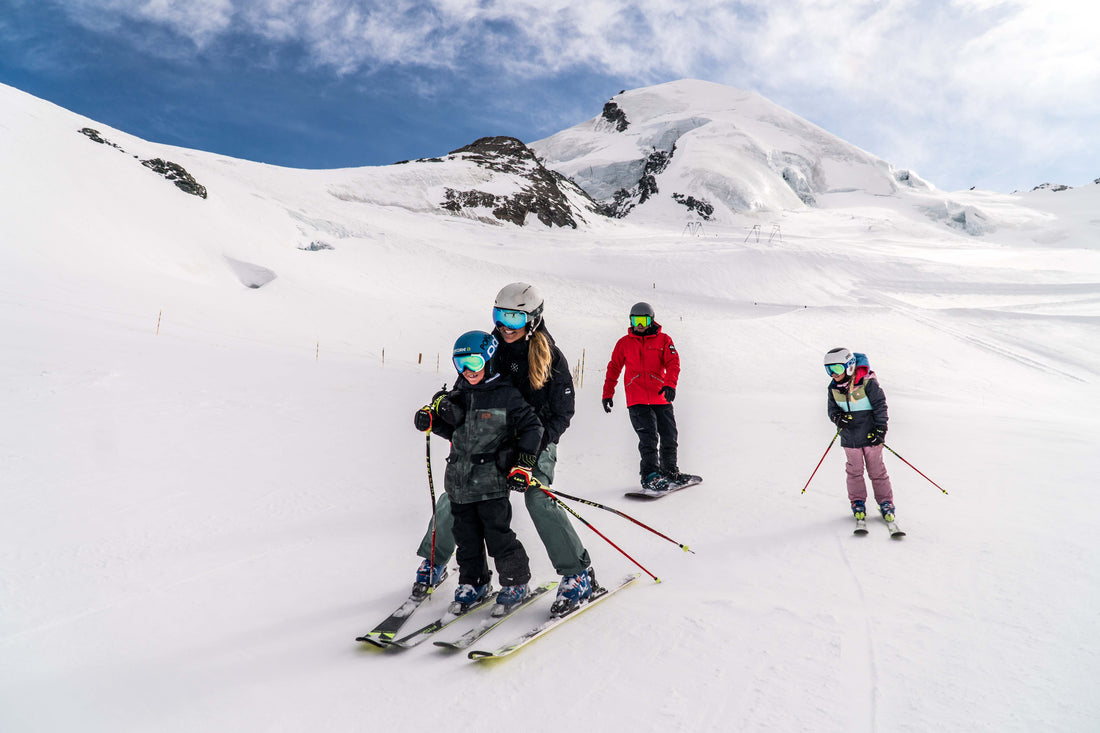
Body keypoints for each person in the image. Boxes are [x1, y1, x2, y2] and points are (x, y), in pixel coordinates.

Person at [413, 283, 596, 617]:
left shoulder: (550, 356)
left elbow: (561, 414)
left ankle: (577, 574)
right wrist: (442, 408)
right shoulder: (489, 346)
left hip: (532, 443)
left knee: (537, 496)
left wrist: (527, 454)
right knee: (457, 492)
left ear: (533, 319)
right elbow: (463, 388)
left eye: (514, 317)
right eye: (500, 316)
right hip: (488, 439)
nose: (505, 326)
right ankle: (435, 562)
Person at [413, 330, 542, 613]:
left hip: (492, 482)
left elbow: (533, 427)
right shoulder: (460, 394)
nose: (468, 371)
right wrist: (431, 421)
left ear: (490, 359)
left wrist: (523, 463)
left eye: (474, 362)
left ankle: (515, 581)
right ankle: (474, 583)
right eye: (461, 364)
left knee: (498, 535)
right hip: (460, 482)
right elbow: (455, 432)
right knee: (466, 539)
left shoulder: (506, 394)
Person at [602, 302, 689, 492]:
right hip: (637, 399)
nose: (639, 324)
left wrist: (670, 384)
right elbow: (614, 367)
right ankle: (650, 475)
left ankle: (669, 470)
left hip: (661, 396)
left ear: (651, 320)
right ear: (631, 321)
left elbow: (673, 363)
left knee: (669, 435)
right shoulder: (624, 343)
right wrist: (608, 392)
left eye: (644, 320)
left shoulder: (664, 340)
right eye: (635, 320)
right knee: (649, 438)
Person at [823, 347, 896, 522]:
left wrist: (880, 429)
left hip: (871, 436)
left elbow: (880, 405)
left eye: (837, 369)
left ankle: (885, 502)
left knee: (877, 471)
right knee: (854, 472)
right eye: (828, 369)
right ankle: (857, 501)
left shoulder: (867, 383)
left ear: (849, 366)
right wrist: (838, 418)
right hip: (850, 438)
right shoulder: (833, 388)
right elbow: (831, 410)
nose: (833, 374)